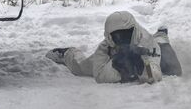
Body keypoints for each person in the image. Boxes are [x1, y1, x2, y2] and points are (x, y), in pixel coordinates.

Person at [46, 11, 182, 84]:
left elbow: (154, 75)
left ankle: (161, 37)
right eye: (118, 36)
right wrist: (116, 65)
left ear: (133, 31)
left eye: (126, 34)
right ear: (110, 36)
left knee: (173, 69)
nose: (122, 39)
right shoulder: (106, 46)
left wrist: (141, 65)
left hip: (152, 47)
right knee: (81, 68)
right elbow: (99, 75)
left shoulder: (145, 43)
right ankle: (68, 53)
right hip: (113, 56)